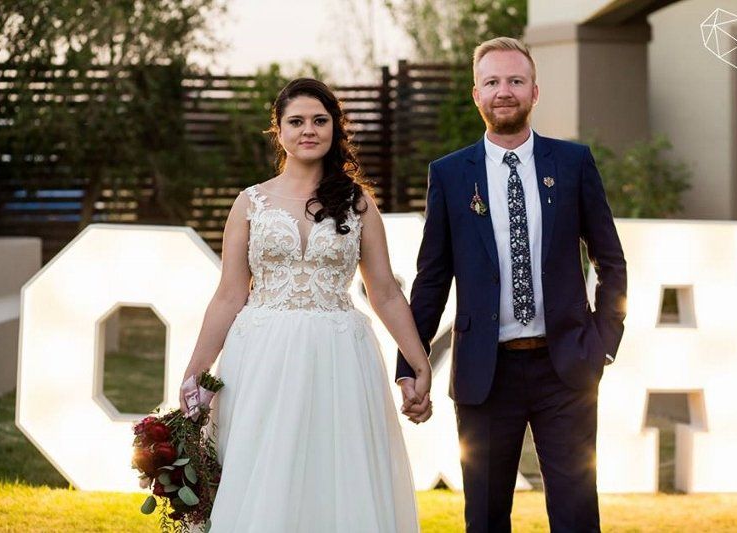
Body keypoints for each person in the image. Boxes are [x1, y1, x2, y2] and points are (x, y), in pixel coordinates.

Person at [179, 78, 432, 532]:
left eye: (320, 120)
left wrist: (418, 361)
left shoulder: (358, 204)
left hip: (338, 355)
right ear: (278, 130)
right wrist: (196, 370)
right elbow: (229, 294)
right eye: (296, 121)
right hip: (261, 354)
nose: (308, 130)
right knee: (262, 467)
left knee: (334, 471)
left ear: (335, 128)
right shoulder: (250, 203)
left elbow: (385, 291)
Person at [396, 37, 627, 532]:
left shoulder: (573, 163)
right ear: (476, 94)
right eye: (493, 82)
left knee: (576, 517)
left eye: (516, 81)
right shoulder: (449, 175)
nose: (504, 91)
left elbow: (610, 260)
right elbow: (431, 279)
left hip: (566, 368)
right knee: (484, 518)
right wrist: (411, 365)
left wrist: (604, 343)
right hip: (485, 373)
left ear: (534, 92)